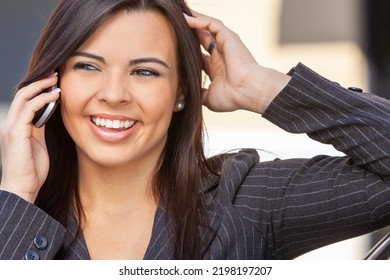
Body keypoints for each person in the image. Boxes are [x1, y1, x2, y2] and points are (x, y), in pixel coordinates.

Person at [0, 0, 389, 260]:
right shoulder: (13, 209)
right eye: (88, 66)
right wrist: (17, 196)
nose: (114, 94)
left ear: (181, 92)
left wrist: (261, 87)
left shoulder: (245, 203)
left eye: (145, 71)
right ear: (53, 84)